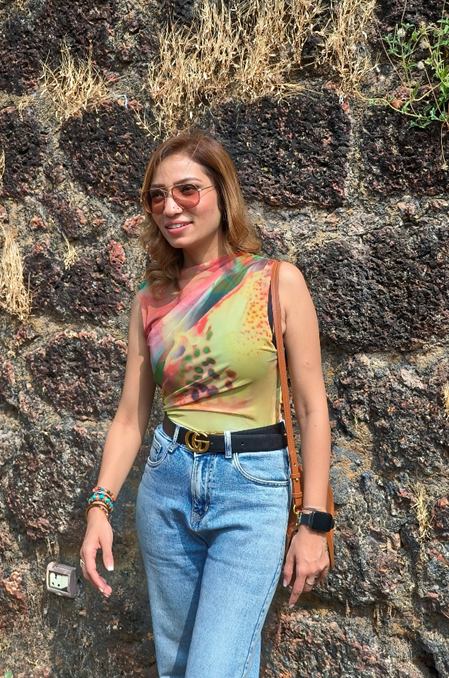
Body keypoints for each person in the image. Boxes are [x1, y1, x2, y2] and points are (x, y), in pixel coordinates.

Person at [79, 133, 332, 678]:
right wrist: (100, 506)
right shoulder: (151, 300)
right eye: (157, 196)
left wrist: (314, 523)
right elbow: (130, 417)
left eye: (187, 190)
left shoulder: (276, 282)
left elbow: (313, 410)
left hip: (252, 492)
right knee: (176, 668)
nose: (170, 207)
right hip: (167, 486)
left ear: (223, 193)